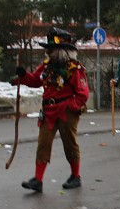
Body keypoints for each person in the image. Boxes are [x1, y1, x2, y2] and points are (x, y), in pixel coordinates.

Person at [14, 27, 89, 192]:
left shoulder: (74, 69)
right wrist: (23, 75)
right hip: (48, 110)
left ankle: (75, 176)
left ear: (61, 51)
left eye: (51, 49)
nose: (48, 52)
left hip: (66, 111)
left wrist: (71, 107)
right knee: (43, 143)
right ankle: (38, 180)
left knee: (69, 144)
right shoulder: (46, 67)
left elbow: (83, 94)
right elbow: (35, 80)